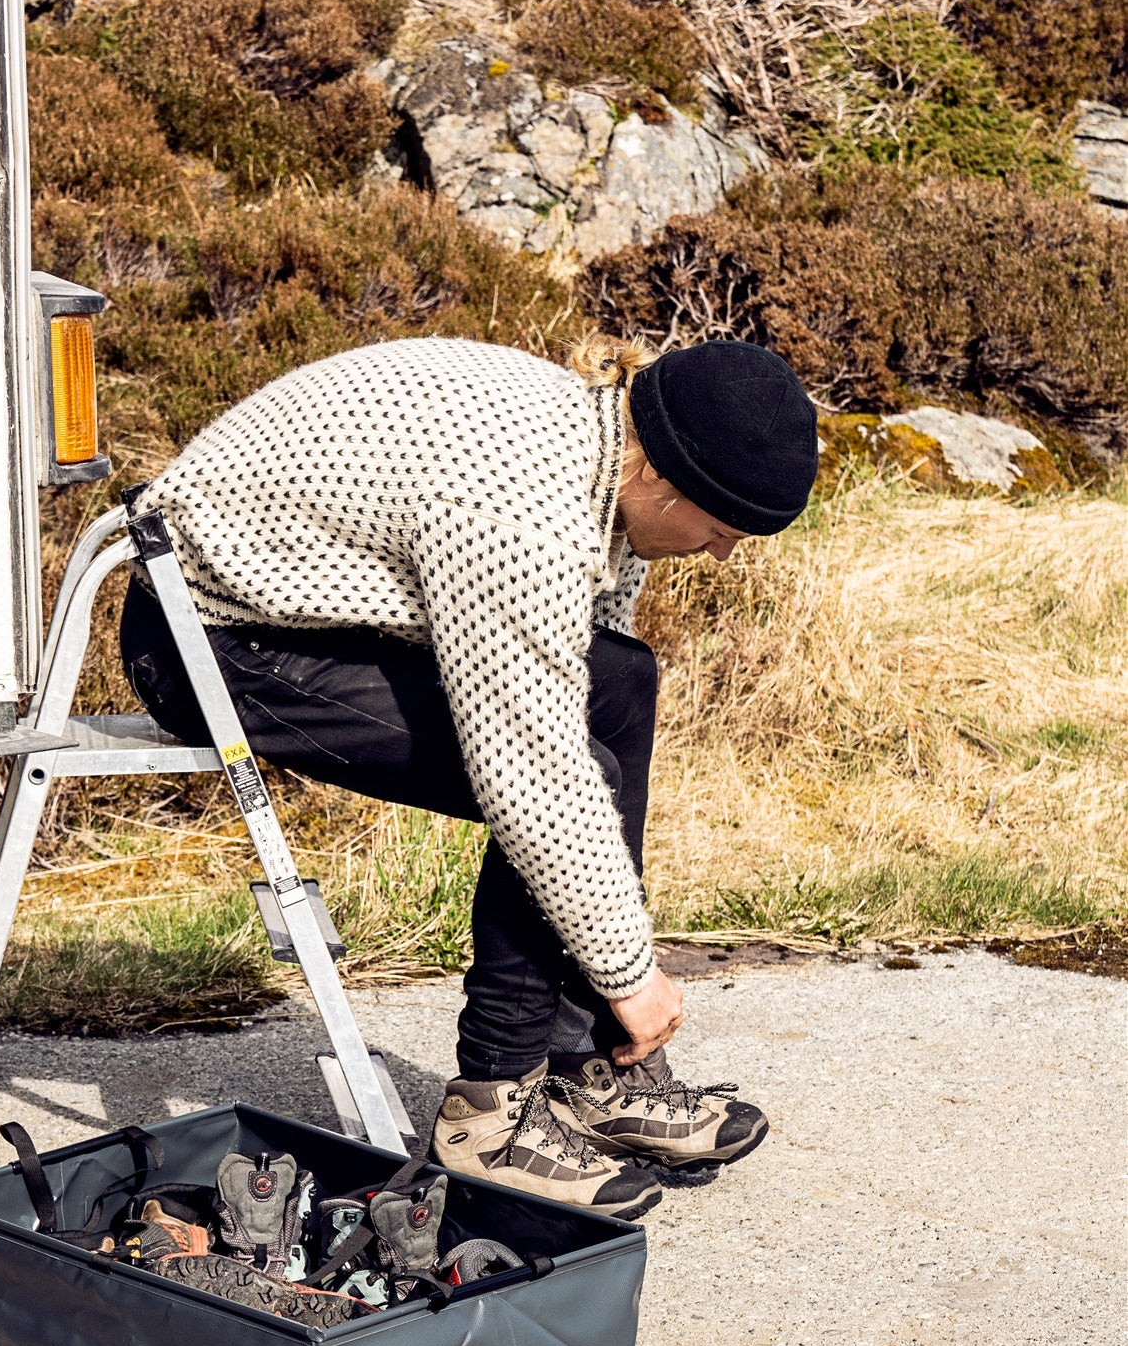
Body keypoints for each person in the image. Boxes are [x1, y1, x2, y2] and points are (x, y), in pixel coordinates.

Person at [121, 332, 819, 1219]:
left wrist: (606, 1005)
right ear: (664, 485)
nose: (721, 553)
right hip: (207, 642)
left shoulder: (603, 450)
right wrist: (629, 976)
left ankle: (580, 1073)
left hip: (303, 614)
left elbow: (586, 663)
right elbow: (536, 782)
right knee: (571, 785)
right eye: (720, 531)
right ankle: (489, 1114)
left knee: (624, 684)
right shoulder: (521, 514)